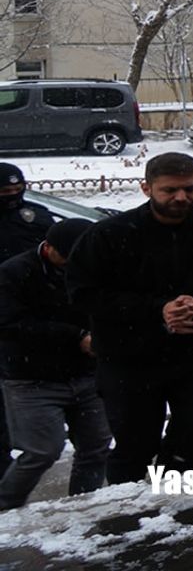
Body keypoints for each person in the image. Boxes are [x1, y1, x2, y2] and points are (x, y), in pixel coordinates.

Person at [65, 153, 193, 483]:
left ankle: (177, 494)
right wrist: (158, 309)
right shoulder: (110, 235)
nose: (181, 198)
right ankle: (124, 507)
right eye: (169, 190)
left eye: (190, 189)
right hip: (130, 357)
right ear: (147, 188)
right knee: (135, 443)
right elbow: (84, 294)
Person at [0, 219, 111, 509]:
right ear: (48, 248)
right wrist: (76, 336)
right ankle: (6, 506)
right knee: (41, 452)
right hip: (31, 378)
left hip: (86, 374)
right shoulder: (14, 273)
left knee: (96, 446)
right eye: (68, 258)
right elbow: (10, 325)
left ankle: (83, 505)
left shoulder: (95, 266)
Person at [0, 163, 50, 477]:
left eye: (17, 190)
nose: (12, 196)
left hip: (33, 315)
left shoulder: (36, 216)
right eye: (5, 192)